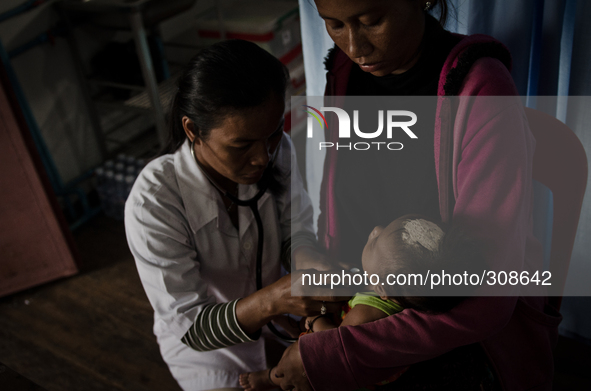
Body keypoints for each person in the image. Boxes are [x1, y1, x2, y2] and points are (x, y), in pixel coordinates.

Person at [274, 1, 561, 390]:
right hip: (362, 302)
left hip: (452, 328)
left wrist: (340, 351)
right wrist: (325, 285)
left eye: (372, 21)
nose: (356, 47)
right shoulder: (342, 72)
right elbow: (342, 203)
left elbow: (489, 296)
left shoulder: (483, 90)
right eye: (334, 25)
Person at [124, 39, 338, 391]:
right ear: (193, 130)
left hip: (280, 317)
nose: (262, 158)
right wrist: (272, 301)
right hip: (208, 352)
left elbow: (293, 229)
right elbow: (191, 327)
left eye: (272, 134)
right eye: (241, 145)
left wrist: (307, 260)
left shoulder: (276, 147)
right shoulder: (154, 201)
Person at [240, 214, 488, 391]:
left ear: (383, 290)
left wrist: (317, 320)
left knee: (289, 367)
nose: (376, 229)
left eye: (376, 241)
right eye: (387, 226)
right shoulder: (396, 292)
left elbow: (333, 344)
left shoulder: (369, 312)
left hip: (338, 373)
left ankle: (270, 378)